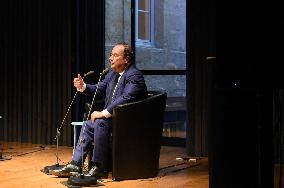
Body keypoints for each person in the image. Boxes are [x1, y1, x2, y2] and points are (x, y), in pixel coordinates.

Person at [51, 42, 147, 178]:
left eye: (115, 55)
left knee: (100, 122)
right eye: (110, 55)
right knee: (88, 124)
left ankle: (99, 167)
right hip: (114, 119)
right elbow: (98, 88)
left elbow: (127, 97)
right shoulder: (113, 75)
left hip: (128, 122)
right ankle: (75, 164)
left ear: (126, 59)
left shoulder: (134, 75)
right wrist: (83, 86)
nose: (110, 58)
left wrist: (103, 113)